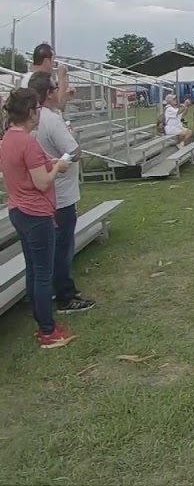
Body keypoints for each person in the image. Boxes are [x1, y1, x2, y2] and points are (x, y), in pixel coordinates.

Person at [0, 87, 75, 348]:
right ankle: (47, 331)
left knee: (33, 270)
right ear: (31, 112)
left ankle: (43, 323)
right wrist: (57, 167)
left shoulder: (8, 138)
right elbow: (42, 182)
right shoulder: (28, 142)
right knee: (43, 274)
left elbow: (25, 169)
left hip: (18, 210)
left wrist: (49, 162)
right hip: (36, 213)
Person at [30, 72, 96, 315]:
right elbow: (73, 151)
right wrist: (67, 155)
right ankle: (65, 296)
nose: (61, 91)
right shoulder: (50, 120)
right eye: (57, 87)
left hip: (44, 193)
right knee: (62, 247)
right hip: (61, 195)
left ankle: (59, 291)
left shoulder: (33, 119)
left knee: (54, 247)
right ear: (48, 93)